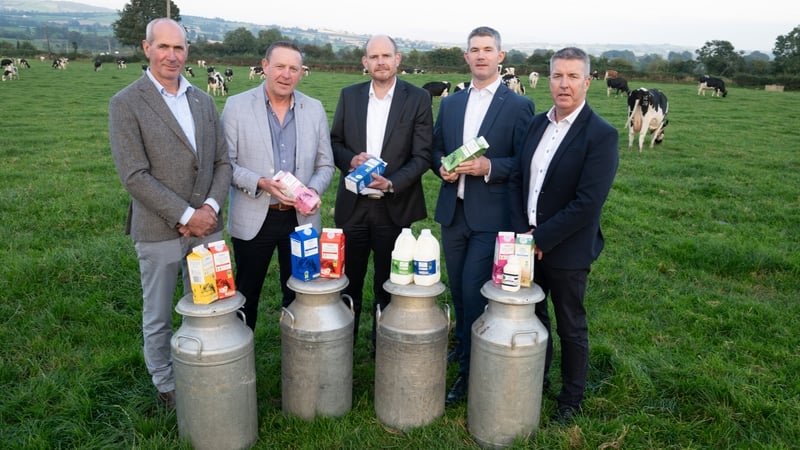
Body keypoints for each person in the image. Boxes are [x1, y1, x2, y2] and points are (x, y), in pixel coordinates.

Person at [108, 18, 232, 409]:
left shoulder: (203, 100)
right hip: (157, 229)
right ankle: (165, 382)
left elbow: (222, 162)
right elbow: (134, 175)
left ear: (187, 52)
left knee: (210, 304)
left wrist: (209, 208)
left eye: (178, 48)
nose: (172, 55)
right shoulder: (126, 102)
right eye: (163, 47)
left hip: (207, 228)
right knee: (159, 312)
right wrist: (185, 214)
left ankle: (208, 364)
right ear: (147, 49)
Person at [508, 47, 619, 424]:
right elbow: (519, 178)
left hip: (568, 249)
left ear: (587, 82)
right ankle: (535, 380)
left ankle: (571, 400)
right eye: (558, 76)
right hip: (527, 244)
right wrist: (524, 234)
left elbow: (588, 202)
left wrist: (542, 238)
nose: (564, 84)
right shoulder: (536, 124)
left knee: (570, 325)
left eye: (573, 77)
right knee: (534, 317)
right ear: (549, 79)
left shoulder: (601, 135)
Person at [430, 26, 535, 405]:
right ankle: (463, 346)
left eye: (488, 49)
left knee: (475, 291)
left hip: (491, 216)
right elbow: (436, 148)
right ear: (466, 57)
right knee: (458, 289)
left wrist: (489, 166)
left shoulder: (518, 105)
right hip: (453, 212)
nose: (480, 56)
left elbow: (523, 161)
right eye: (474, 50)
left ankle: (471, 373)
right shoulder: (451, 103)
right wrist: (440, 167)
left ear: (500, 57)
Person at [221, 41, 334, 331]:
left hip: (301, 219)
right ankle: (241, 350)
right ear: (265, 66)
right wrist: (259, 182)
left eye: (293, 68)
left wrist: (312, 192)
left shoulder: (314, 108)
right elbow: (225, 164)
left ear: (301, 72)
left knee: (300, 294)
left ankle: (298, 353)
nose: (286, 74)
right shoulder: (236, 106)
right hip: (254, 217)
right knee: (246, 295)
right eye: (280, 66)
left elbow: (326, 165)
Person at [330, 35, 433, 347]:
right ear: (365, 62)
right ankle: (343, 347)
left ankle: (384, 347)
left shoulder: (417, 98)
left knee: (389, 282)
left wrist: (391, 183)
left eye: (386, 55)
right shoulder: (349, 95)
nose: (380, 62)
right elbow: (335, 143)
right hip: (353, 206)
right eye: (373, 57)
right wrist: (351, 160)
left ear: (397, 59)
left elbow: (423, 155)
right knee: (348, 281)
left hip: (394, 206)